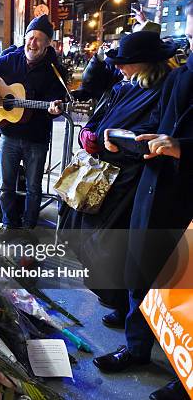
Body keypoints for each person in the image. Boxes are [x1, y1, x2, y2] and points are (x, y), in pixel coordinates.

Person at [93, 2, 193, 400]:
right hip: (155, 187)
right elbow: (155, 127)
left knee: (176, 289)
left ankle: (182, 375)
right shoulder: (179, 73)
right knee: (139, 269)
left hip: (182, 197)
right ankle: (137, 348)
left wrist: (182, 148)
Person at [60, 31, 177, 328]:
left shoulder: (164, 89)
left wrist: (108, 138)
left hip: (130, 182)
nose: (120, 67)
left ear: (145, 63)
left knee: (116, 248)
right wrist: (93, 134)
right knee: (93, 241)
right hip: (106, 175)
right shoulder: (126, 86)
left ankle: (125, 307)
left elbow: (149, 134)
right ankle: (119, 303)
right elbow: (99, 111)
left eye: (126, 62)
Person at [0, 15, 65, 229]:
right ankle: (9, 223)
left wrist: (53, 109)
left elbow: (58, 99)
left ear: (48, 43)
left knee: (33, 188)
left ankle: (29, 226)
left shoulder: (54, 69)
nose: (32, 43)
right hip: (9, 135)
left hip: (37, 138)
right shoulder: (11, 59)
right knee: (6, 186)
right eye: (30, 37)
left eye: (38, 39)